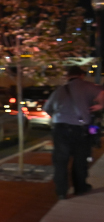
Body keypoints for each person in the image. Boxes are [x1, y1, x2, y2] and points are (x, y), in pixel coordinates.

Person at [44, 65, 104, 199]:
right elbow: (102, 93)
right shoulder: (88, 86)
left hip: (60, 128)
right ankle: (80, 188)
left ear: (67, 76)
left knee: (60, 161)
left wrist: (59, 115)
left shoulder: (59, 90)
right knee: (80, 160)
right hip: (80, 129)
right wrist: (100, 105)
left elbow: (47, 108)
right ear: (81, 75)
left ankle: (61, 191)